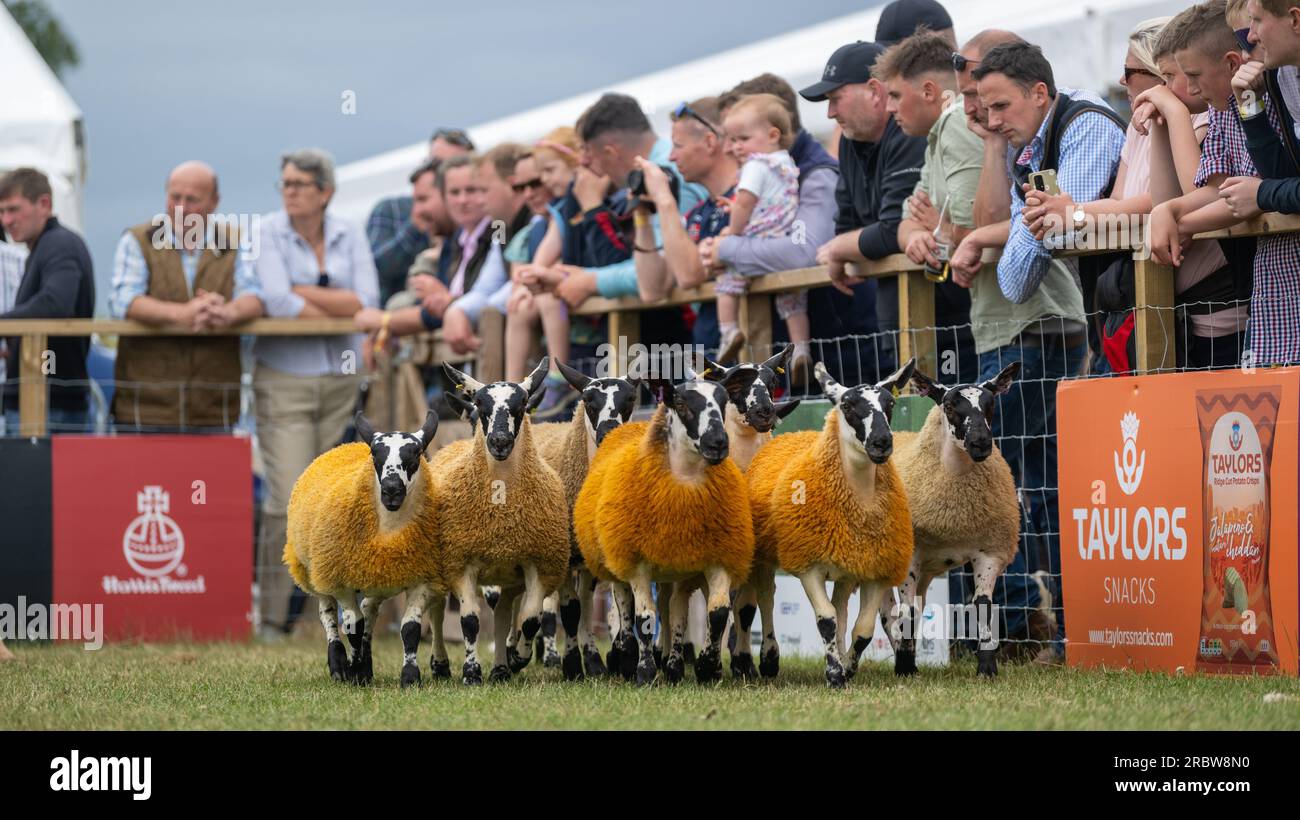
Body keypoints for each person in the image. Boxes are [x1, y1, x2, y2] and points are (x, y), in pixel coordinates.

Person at [964, 41, 1126, 656]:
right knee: (1059, 487)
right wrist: (1034, 226)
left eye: (1000, 105)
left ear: (1039, 93)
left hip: (1139, 313)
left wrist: (1038, 225)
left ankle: (1086, 626)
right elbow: (1017, 270)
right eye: (984, 106)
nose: (993, 119)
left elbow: (1061, 225)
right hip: (1109, 315)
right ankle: (1077, 628)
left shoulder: (1085, 124)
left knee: (1066, 486)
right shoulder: (1028, 147)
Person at [248, 148, 379, 636]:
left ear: (325, 191)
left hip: (343, 381)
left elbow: (370, 301)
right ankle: (272, 621)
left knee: (334, 498)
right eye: (284, 183)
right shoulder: (264, 230)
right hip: (284, 378)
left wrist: (306, 292)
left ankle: (325, 617)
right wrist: (341, 305)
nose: (289, 192)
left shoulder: (350, 230)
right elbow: (277, 302)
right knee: (286, 498)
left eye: (300, 184)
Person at [1151, 0, 1300, 367]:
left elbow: (1260, 187)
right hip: (1273, 283)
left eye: (1191, 75)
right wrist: (1171, 209)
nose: (1252, 36)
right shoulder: (1241, 99)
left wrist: (1179, 220)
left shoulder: (1271, 85)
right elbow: (1225, 186)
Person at [801, 41, 936, 378]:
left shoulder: (909, 132)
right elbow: (846, 226)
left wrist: (838, 250)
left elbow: (891, 230)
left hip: (943, 317)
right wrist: (850, 245)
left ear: (874, 91)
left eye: (834, 99)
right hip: (896, 317)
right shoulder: (850, 142)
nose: (830, 113)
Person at [108, 161, 265, 431]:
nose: (181, 207)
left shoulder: (237, 242)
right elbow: (124, 300)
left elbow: (254, 297)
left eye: (192, 199)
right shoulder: (137, 239)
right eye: (174, 196)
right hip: (145, 407)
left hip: (214, 407)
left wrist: (227, 313)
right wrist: (184, 314)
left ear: (214, 202)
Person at [877, 29, 980, 387]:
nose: (888, 108)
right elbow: (907, 217)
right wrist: (917, 236)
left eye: (894, 95)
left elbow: (974, 231)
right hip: (985, 320)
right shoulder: (937, 134)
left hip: (1004, 320)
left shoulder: (954, 124)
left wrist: (939, 229)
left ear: (928, 92)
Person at [713, 94, 808, 375]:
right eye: (731, 140)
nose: (735, 147)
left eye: (742, 138)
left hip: (758, 237)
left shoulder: (755, 165)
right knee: (792, 299)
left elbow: (745, 202)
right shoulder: (787, 164)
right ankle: (801, 349)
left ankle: (729, 331)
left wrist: (732, 233)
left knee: (727, 281)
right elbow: (771, 199)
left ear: (772, 134)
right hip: (785, 237)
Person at [0, 168, 95, 436]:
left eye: (14, 210)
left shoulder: (58, 245)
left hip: (49, 404)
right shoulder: (48, 246)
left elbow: (56, 303)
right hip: (46, 398)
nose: (6, 220)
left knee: (30, 478)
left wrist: (4, 326)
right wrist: (16, 345)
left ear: (44, 204)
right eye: (2, 212)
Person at [367, 127, 474, 303]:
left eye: (458, 164)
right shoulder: (391, 210)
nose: (447, 174)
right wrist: (417, 226)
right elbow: (375, 271)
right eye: (438, 164)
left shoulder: (482, 225)